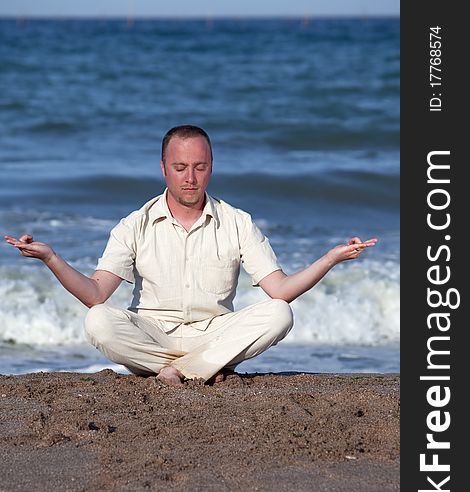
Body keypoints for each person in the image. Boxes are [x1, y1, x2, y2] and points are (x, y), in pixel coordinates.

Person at [4, 124, 377, 385]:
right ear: (164, 168)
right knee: (98, 321)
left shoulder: (237, 222)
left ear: (211, 167)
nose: (190, 178)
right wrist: (51, 258)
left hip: (214, 333)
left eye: (200, 167)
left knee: (280, 313)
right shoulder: (135, 224)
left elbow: (280, 290)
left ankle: (179, 372)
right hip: (153, 334)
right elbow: (96, 295)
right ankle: (198, 370)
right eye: (180, 167)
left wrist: (330, 258)